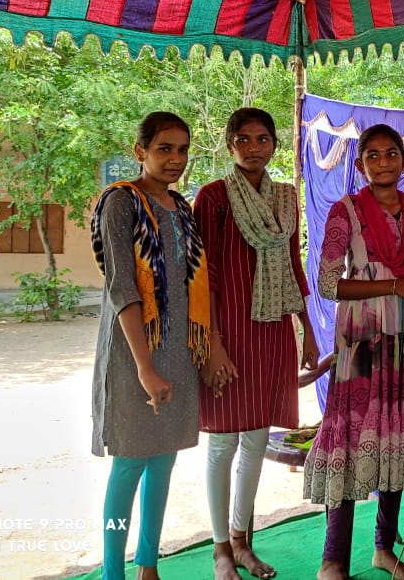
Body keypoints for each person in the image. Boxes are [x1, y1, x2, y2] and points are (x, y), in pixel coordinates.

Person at [303, 124, 404, 580]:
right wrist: (396, 286)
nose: (383, 163)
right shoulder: (345, 210)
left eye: (391, 154)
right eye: (373, 156)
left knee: (395, 439)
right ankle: (332, 560)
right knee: (350, 441)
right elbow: (328, 285)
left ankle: (384, 549)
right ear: (360, 164)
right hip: (362, 344)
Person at [192, 108, 320, 580]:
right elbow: (203, 276)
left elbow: (293, 266)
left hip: (272, 330)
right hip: (227, 330)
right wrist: (212, 346)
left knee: (257, 438)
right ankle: (220, 550)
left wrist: (307, 331)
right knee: (223, 441)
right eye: (243, 140)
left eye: (262, 139)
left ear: (273, 144)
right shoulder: (212, 197)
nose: (253, 148)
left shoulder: (286, 198)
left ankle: (243, 541)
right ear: (230, 145)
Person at [89, 112, 210, 580]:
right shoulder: (120, 202)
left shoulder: (181, 207)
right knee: (129, 465)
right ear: (140, 152)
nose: (175, 158)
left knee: (164, 460)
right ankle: (112, 572)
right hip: (133, 353)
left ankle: (148, 565)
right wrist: (144, 367)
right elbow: (123, 288)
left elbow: (194, 284)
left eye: (182, 149)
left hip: (178, 351)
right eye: (164, 148)